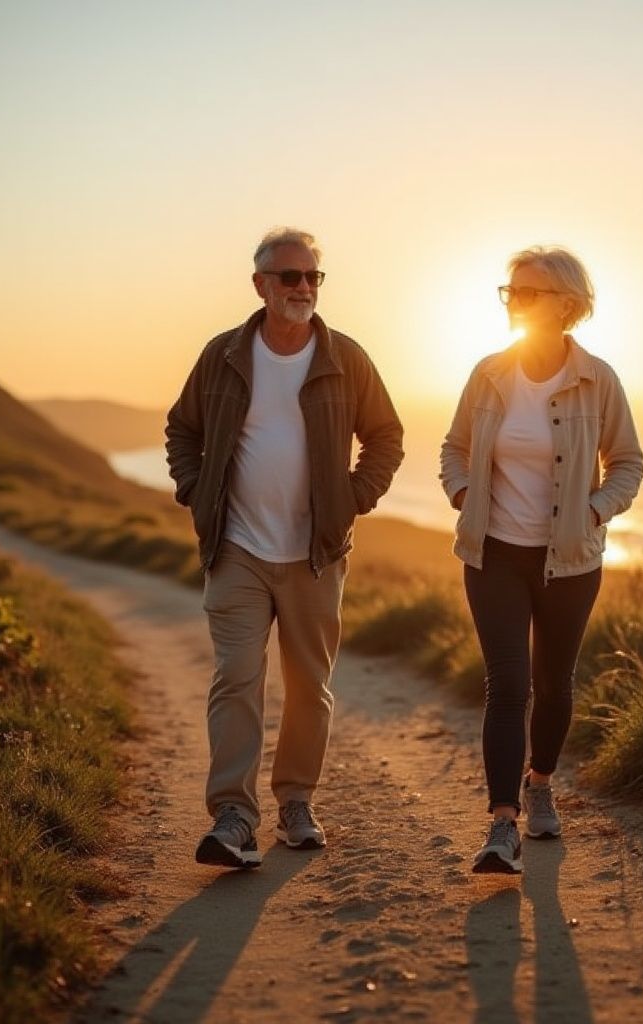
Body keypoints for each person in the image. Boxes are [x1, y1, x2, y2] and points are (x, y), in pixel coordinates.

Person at [166, 227, 403, 869]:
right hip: (236, 547)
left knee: (309, 684)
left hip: (315, 555)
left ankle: (296, 800)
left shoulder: (345, 358)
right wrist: (195, 489)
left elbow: (385, 436)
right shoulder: (222, 355)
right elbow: (182, 428)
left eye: (313, 278)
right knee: (237, 677)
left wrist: (353, 497)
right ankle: (234, 815)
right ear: (260, 284)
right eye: (290, 277)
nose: (303, 288)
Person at [440, 245, 643, 874]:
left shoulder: (597, 379)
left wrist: (593, 511)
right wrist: (465, 493)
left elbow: (628, 464)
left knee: (555, 684)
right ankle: (503, 825)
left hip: (571, 560)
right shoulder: (488, 374)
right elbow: (454, 447)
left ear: (567, 305)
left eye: (529, 292)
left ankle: (541, 781)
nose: (516, 302)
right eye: (511, 291)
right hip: (493, 552)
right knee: (509, 684)